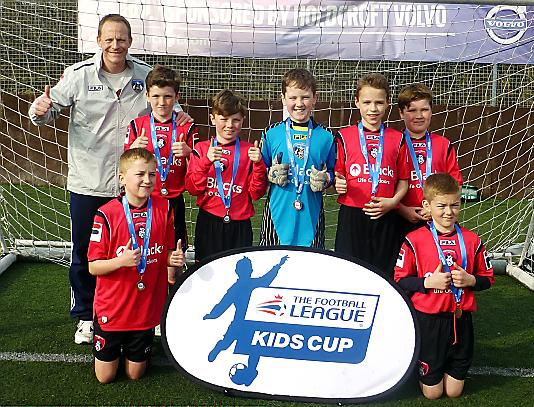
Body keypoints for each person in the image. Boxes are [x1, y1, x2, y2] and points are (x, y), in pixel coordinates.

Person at [28, 14, 192, 344]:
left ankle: (143, 313)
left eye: (121, 39)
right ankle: (87, 317)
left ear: (130, 42)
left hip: (134, 186)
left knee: (144, 248)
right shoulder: (77, 75)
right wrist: (40, 108)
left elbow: (166, 107)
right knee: (86, 253)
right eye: (109, 38)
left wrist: (181, 116)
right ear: (99, 41)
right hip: (89, 181)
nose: (115, 45)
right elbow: (46, 112)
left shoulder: (145, 75)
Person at [87, 148, 185, 383]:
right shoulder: (106, 214)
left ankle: (134, 348)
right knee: (105, 378)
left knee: (135, 375)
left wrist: (173, 261)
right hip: (114, 308)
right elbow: (93, 267)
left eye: (152, 174)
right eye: (140, 174)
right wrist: (121, 262)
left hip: (145, 309)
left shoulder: (165, 208)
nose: (147, 180)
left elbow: (168, 256)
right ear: (122, 178)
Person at [394, 173, 494, 399]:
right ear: (426, 205)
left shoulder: (472, 240)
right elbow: (400, 280)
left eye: (454, 205)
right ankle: (420, 370)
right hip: (429, 321)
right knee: (433, 394)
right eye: (441, 206)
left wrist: (471, 280)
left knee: (454, 392)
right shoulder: (414, 240)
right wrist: (428, 282)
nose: (449, 212)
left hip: (460, 319)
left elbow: (487, 278)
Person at [334, 73, 409, 276]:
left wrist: (393, 202)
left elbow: (403, 180)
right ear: (357, 102)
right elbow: (338, 174)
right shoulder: (344, 136)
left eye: (379, 102)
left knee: (384, 272)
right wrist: (337, 183)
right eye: (367, 102)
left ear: (387, 104)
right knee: (349, 269)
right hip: (352, 213)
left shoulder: (398, 138)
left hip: (387, 214)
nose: (373, 109)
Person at [185, 89, 267, 262]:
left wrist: (259, 164)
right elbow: (193, 188)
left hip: (240, 224)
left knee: (238, 273)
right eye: (224, 119)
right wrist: (206, 162)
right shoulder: (201, 149)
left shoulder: (249, 151)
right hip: (209, 221)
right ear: (212, 118)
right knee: (207, 271)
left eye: (236, 120)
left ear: (243, 120)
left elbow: (256, 193)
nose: (230, 125)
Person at [125, 64, 199, 252]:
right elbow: (125, 165)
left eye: (167, 96)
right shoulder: (136, 126)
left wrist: (189, 152)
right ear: (147, 96)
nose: (162, 102)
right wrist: (133, 149)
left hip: (174, 201)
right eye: (156, 96)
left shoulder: (187, 126)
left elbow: (199, 168)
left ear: (177, 97)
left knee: (174, 257)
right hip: (144, 199)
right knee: (144, 252)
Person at [259, 68, 335, 248]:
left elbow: (335, 172)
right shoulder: (271, 133)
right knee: (272, 268)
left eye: (305, 97)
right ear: (283, 98)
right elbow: (258, 173)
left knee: (309, 271)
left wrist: (327, 179)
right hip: (277, 216)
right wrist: (268, 173)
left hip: (311, 217)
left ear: (315, 98)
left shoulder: (327, 136)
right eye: (293, 98)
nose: (299, 103)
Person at [397, 83, 462, 235]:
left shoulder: (443, 144)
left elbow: (456, 185)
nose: (419, 116)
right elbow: (385, 185)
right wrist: (402, 209)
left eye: (424, 110)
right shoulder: (392, 143)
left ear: (432, 111)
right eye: (412, 110)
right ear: (401, 113)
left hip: (437, 220)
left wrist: (433, 209)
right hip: (399, 218)